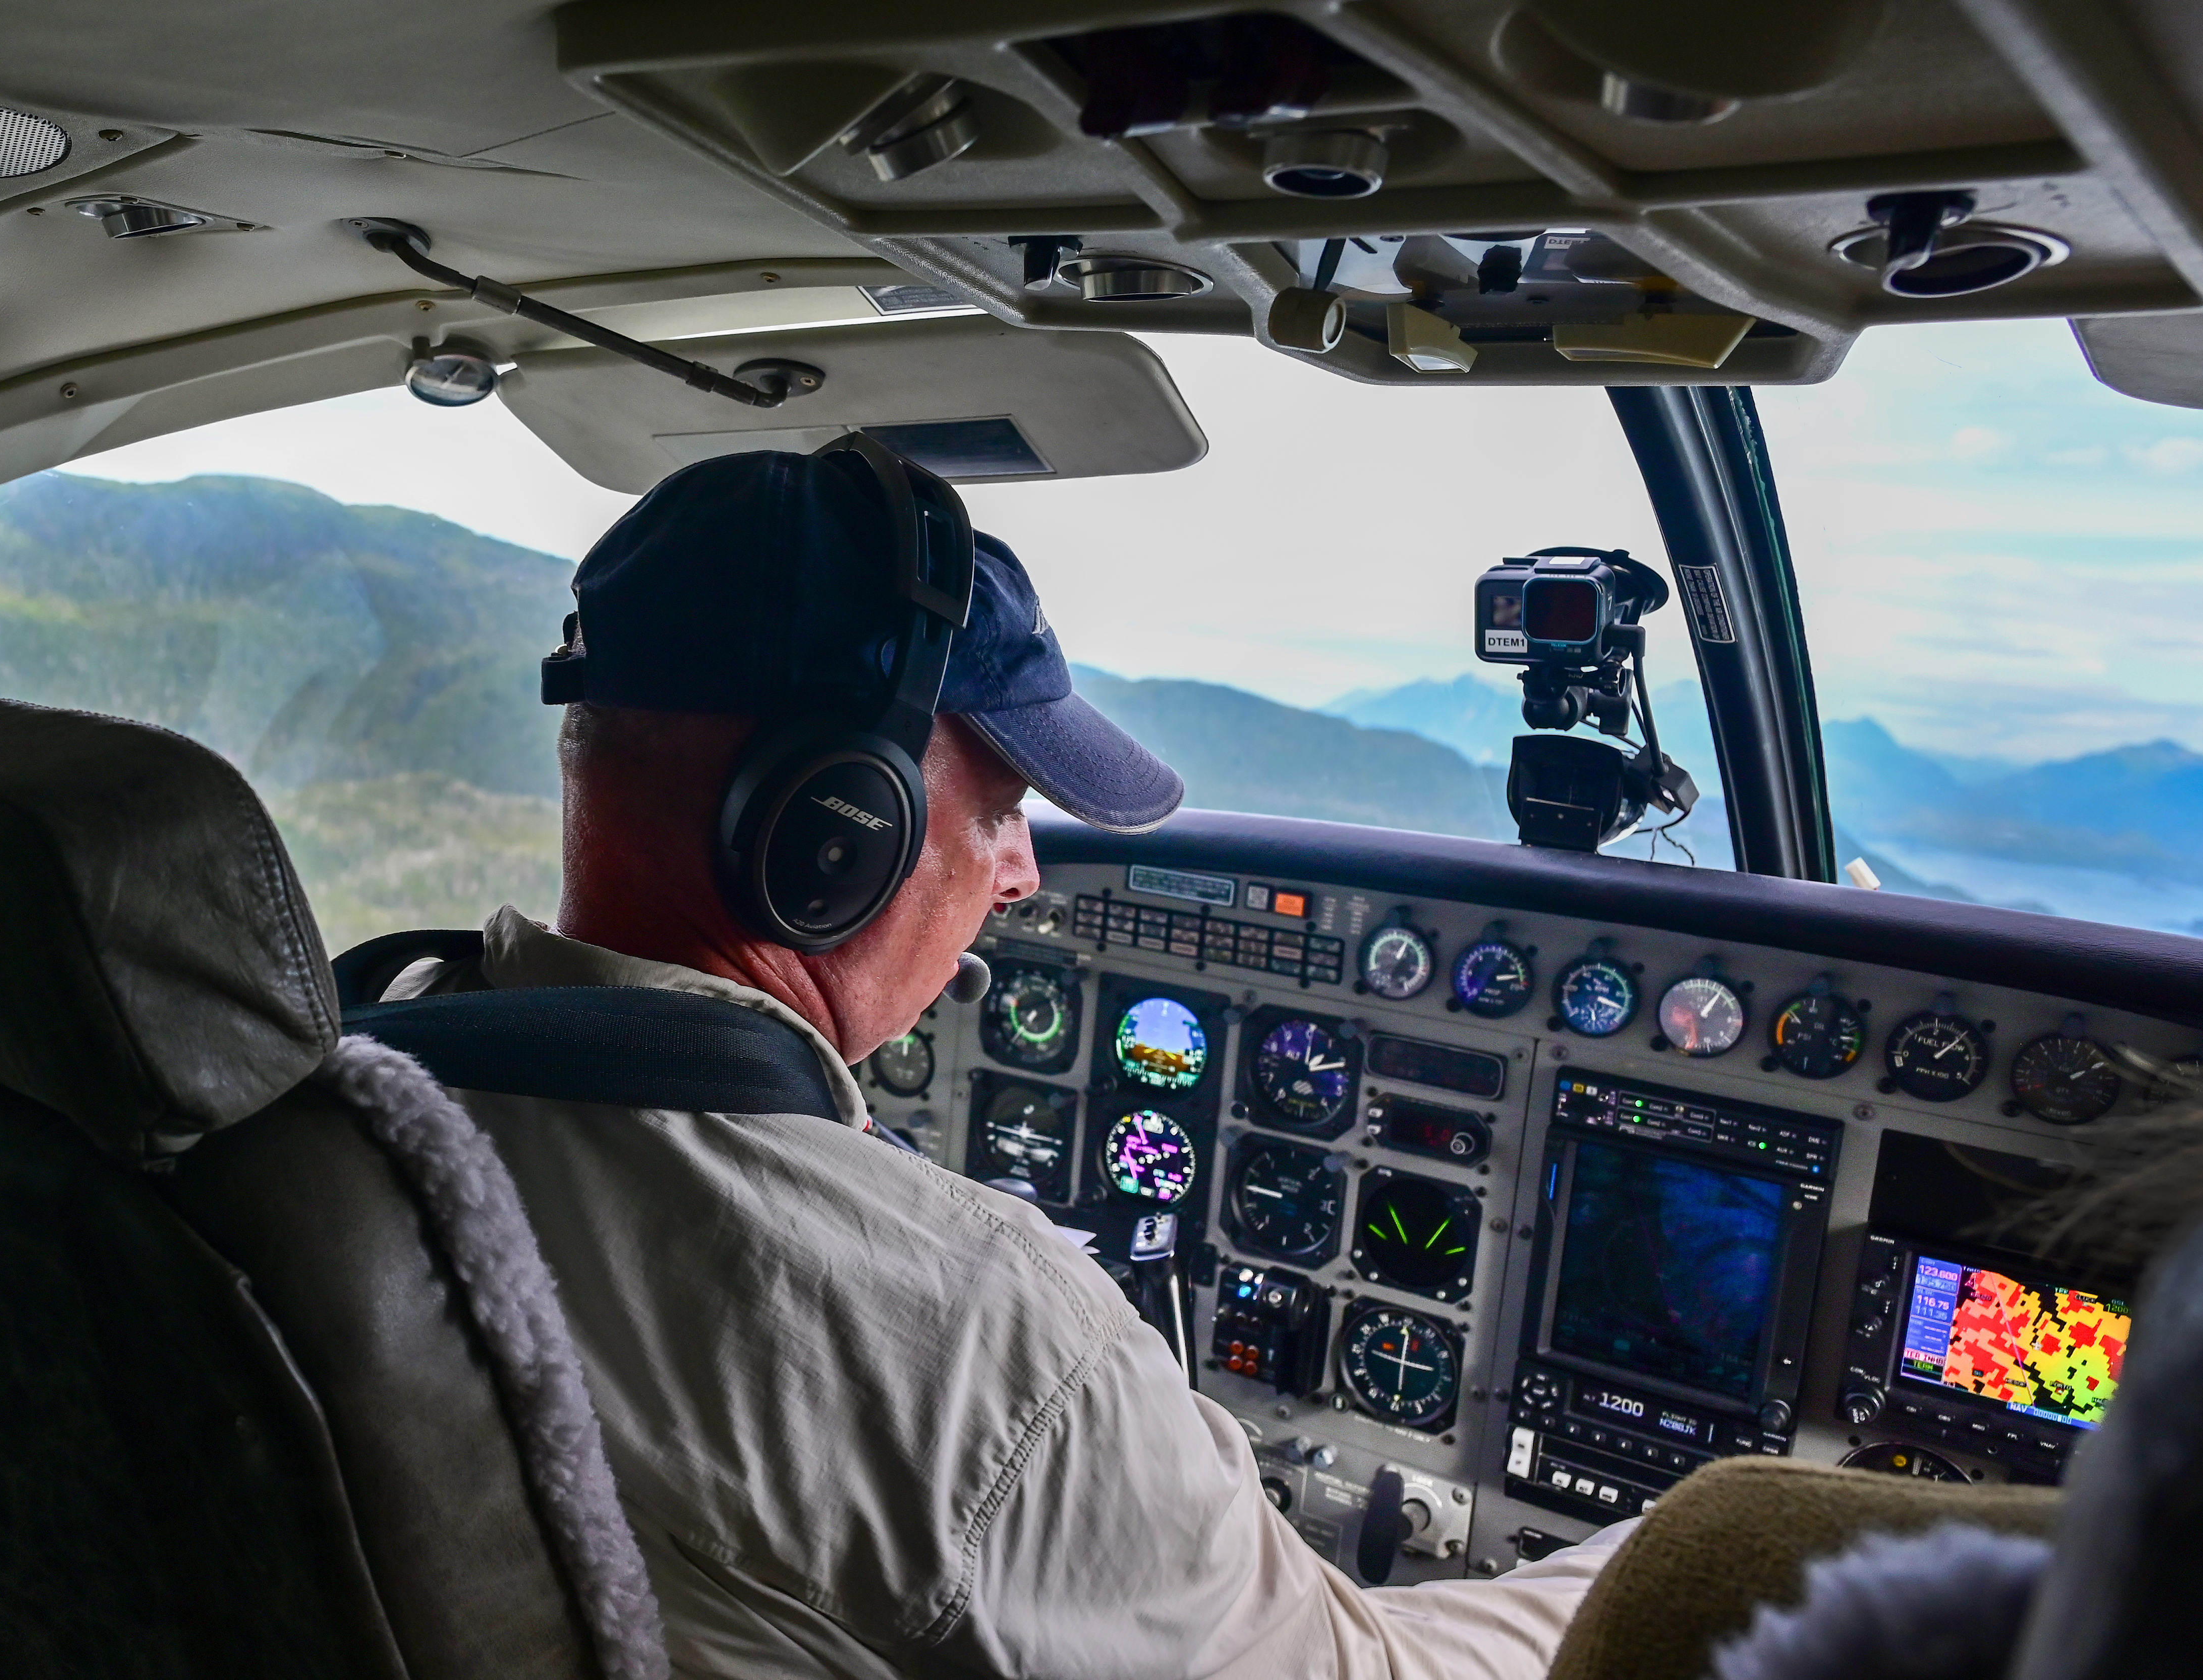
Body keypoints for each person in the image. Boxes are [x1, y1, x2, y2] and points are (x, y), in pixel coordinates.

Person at [385, 447, 1628, 1678]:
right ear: (833, 829)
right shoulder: (988, 1341)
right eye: (997, 812)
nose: (1024, 875)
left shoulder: (347, 1091)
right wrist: (1688, 1547)